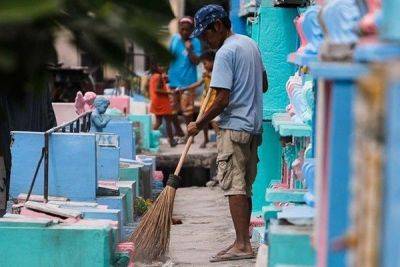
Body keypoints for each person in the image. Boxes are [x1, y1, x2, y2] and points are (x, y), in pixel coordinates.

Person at [187, 5, 268, 262]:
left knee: (234, 188)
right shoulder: (250, 45)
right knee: (244, 188)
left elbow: (222, 99)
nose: (204, 40)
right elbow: (264, 84)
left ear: (218, 26)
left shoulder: (225, 52)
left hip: (234, 128)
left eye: (205, 34)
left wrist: (199, 124)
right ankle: (240, 240)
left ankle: (242, 244)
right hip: (253, 128)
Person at [168, 16, 202, 140]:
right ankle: (179, 132)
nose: (184, 32)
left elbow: (197, 61)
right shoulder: (174, 39)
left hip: (188, 83)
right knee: (171, 111)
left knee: (187, 111)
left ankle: (189, 135)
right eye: (182, 29)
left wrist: (190, 50)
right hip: (173, 81)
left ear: (192, 30)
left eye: (187, 30)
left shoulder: (195, 42)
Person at [180, 50, 219, 148]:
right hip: (205, 101)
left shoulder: (216, 73)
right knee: (202, 121)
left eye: (205, 63)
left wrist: (208, 75)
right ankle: (206, 139)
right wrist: (186, 88)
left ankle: (220, 140)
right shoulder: (205, 74)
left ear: (213, 62)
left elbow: (216, 81)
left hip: (213, 101)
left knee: (214, 121)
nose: (204, 66)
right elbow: (198, 83)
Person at [148, 63, 177, 147]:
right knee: (168, 121)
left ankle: (149, 139)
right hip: (162, 101)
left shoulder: (154, 76)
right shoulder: (158, 76)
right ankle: (171, 141)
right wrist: (169, 92)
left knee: (159, 122)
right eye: (160, 65)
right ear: (156, 67)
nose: (163, 67)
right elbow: (157, 90)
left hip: (155, 101)